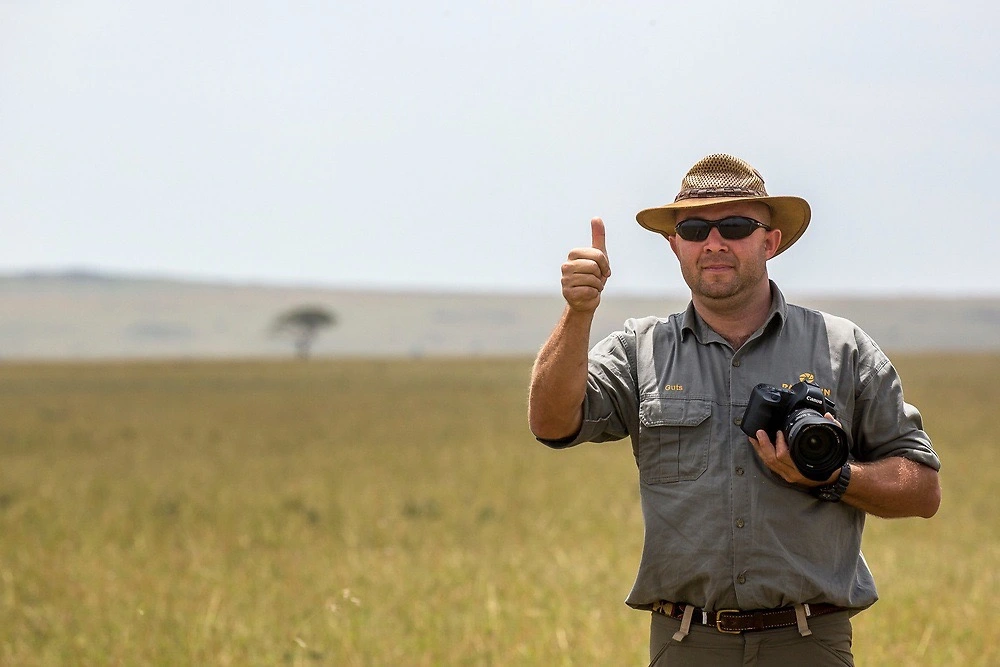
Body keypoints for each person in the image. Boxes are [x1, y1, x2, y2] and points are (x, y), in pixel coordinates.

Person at [527, 153, 941, 666]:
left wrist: (834, 477)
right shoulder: (641, 349)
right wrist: (578, 311)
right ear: (673, 244)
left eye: (737, 226)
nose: (714, 243)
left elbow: (922, 489)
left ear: (771, 241)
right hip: (686, 642)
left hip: (809, 642)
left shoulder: (841, 348)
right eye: (695, 228)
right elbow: (550, 422)